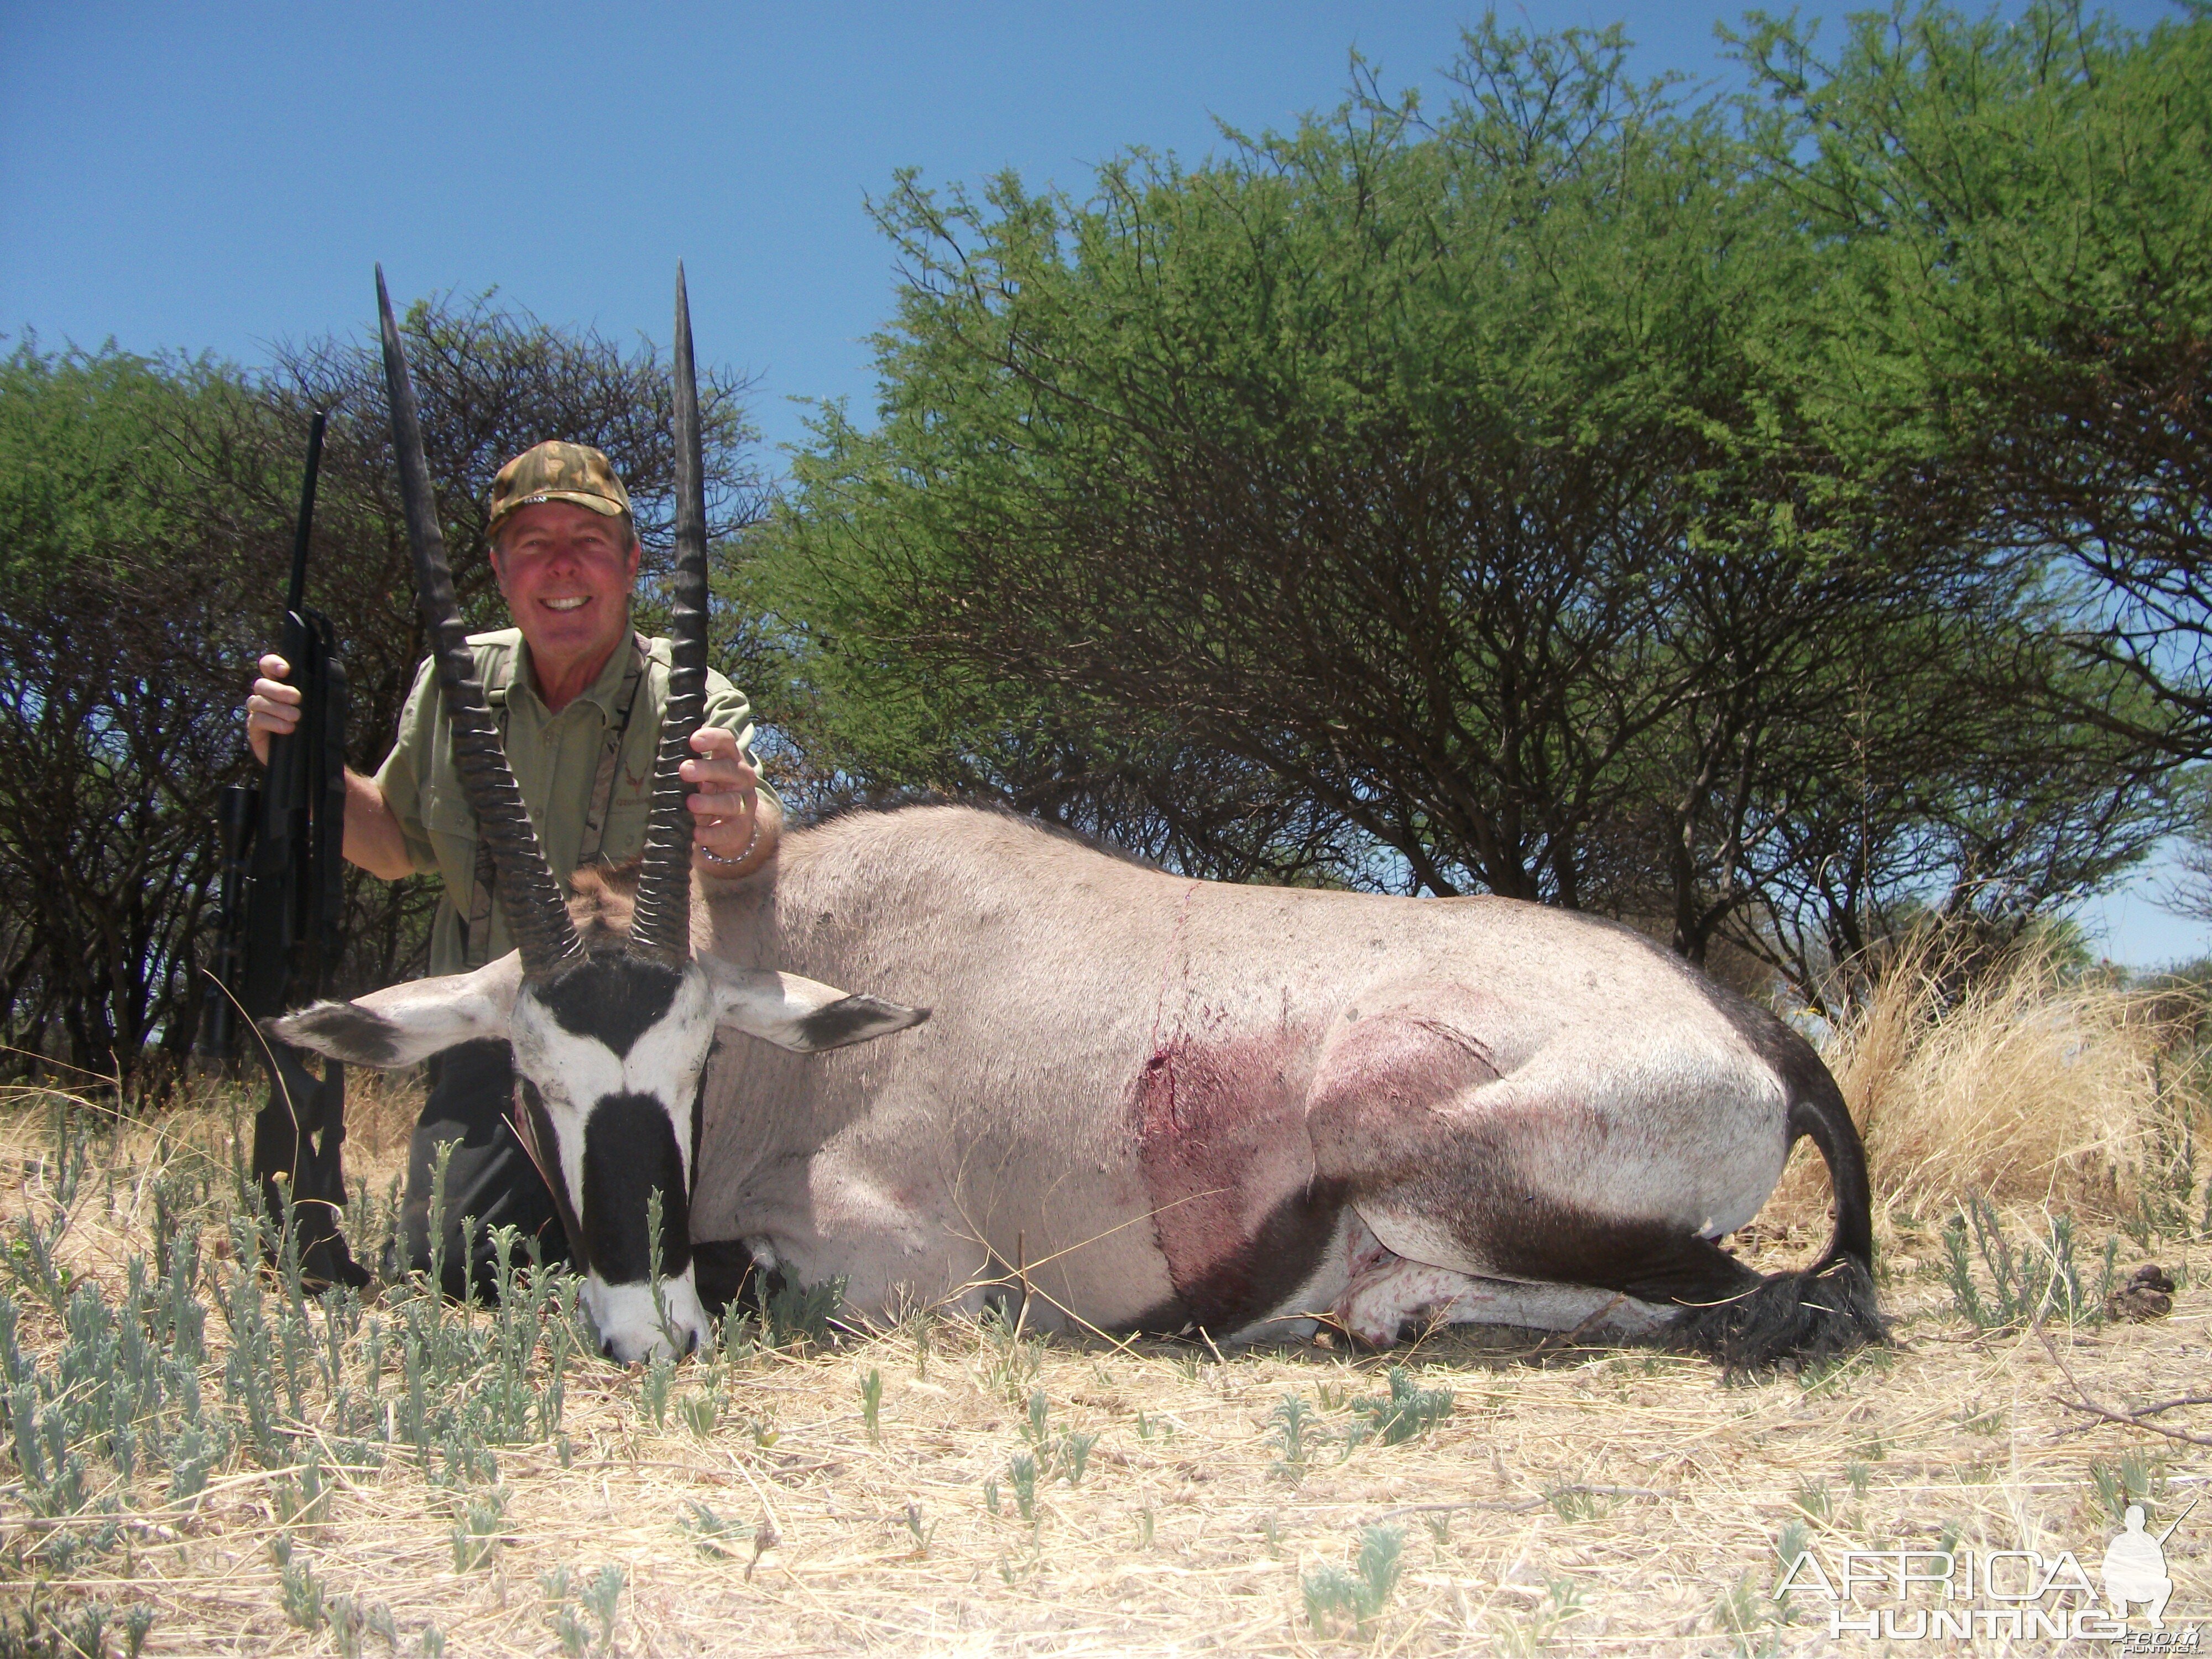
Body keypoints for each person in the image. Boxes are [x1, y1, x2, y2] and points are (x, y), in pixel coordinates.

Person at [246, 440, 780, 1293]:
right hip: (507, 1041)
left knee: (653, 1235)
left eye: (588, 541)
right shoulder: (452, 686)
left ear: (631, 563)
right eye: (533, 544)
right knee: (457, 1268)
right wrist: (302, 765)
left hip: (653, 1041)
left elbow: (754, 849)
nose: (562, 566)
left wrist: (733, 820)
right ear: (500, 569)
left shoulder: (695, 696)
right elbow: (387, 844)